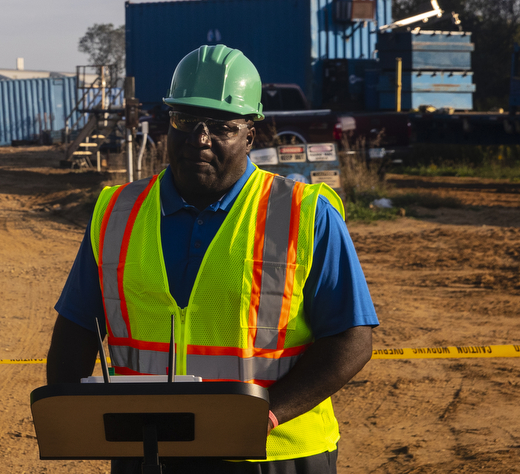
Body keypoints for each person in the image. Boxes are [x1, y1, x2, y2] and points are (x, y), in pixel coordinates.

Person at [45, 45, 378, 473]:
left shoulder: (305, 215)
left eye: (221, 126)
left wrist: (266, 416)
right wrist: (75, 416)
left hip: (274, 452)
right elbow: (76, 328)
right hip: (150, 452)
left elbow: (352, 339)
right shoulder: (115, 214)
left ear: (250, 134)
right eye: (185, 120)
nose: (199, 139)